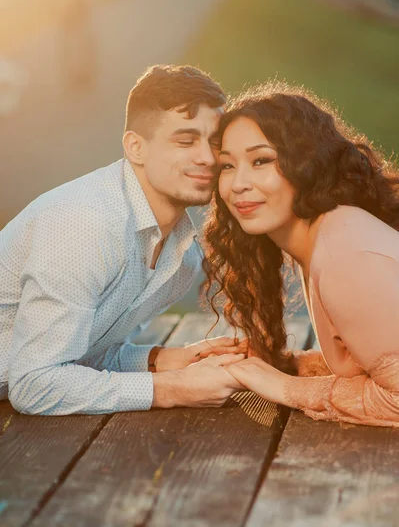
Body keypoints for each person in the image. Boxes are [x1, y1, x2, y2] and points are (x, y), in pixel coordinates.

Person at [0, 64, 246, 415]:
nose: (207, 158)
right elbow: (35, 384)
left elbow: (80, 350)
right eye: (185, 140)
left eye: (215, 142)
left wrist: (163, 359)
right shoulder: (86, 222)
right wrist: (172, 388)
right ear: (136, 147)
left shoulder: (182, 257)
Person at [202, 81, 399, 427]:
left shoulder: (347, 261)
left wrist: (286, 387)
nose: (237, 184)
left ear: (307, 164)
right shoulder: (328, 235)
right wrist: (287, 364)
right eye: (227, 166)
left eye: (261, 160)